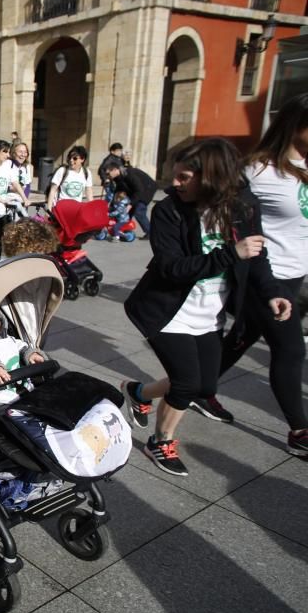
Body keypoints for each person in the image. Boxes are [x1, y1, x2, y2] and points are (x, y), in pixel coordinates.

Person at [121, 138, 291, 476]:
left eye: (184, 177)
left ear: (211, 178)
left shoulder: (242, 206)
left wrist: (272, 292)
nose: (175, 184)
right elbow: (171, 268)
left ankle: (138, 392)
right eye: (175, 176)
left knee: (204, 385)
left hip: (210, 313)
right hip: (167, 311)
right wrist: (231, 253)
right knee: (185, 384)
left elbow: (256, 254)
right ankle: (161, 442)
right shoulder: (168, 210)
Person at [217, 93, 308, 456]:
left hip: (297, 273)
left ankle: (185, 389)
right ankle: (300, 430)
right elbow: (230, 220)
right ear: (296, 124)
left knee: (238, 339)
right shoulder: (257, 170)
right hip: (265, 275)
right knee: (290, 348)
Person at [0, 308, 46, 405]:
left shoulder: (7, 338)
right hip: (0, 398)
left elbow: (19, 346)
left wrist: (30, 354)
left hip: (25, 388)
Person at [104, 160, 155, 239]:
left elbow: (139, 190)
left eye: (108, 173)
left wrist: (131, 204)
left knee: (139, 210)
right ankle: (124, 228)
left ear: (115, 170)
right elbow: (118, 189)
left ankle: (150, 232)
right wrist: (112, 203)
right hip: (135, 190)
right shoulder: (117, 177)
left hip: (147, 188)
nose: (107, 176)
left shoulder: (129, 174)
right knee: (125, 209)